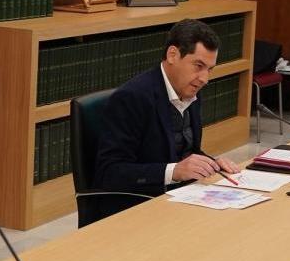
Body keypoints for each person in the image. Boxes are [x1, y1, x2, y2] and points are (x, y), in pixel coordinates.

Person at [95, 19, 241, 196]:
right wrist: (173, 172)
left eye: (209, 69)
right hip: (140, 204)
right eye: (199, 66)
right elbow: (110, 172)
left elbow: (184, 151)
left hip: (182, 195)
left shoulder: (191, 89)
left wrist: (212, 163)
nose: (204, 79)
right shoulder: (133, 97)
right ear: (173, 55)